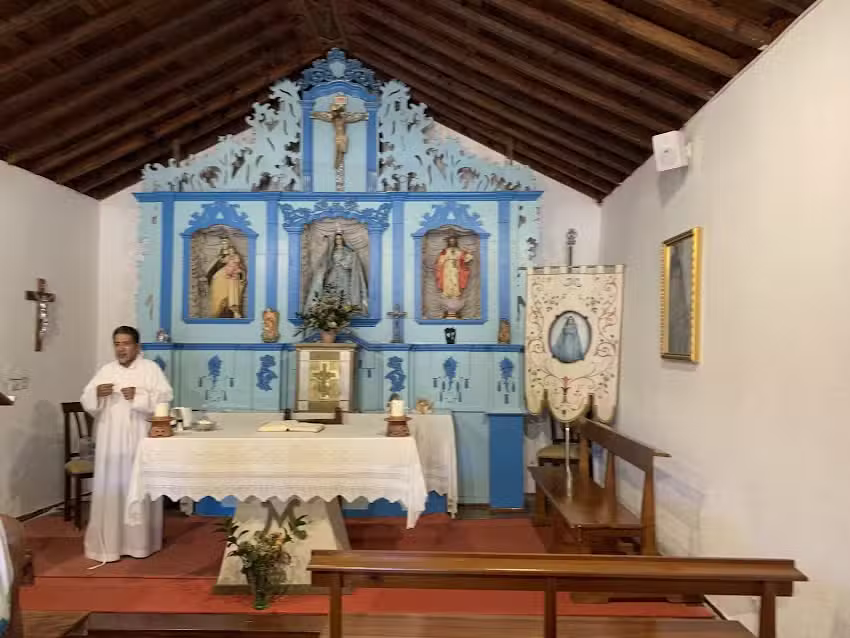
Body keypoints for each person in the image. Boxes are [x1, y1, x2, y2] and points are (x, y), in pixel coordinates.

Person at [80, 326, 173, 564]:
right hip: (110, 438)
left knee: (137, 486)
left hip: (138, 437)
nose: (121, 349)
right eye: (117, 344)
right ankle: (107, 545)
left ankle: (139, 544)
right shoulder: (106, 370)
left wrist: (139, 397)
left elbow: (165, 399)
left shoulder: (150, 369)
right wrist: (97, 394)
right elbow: (86, 399)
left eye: (126, 344)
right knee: (110, 489)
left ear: (137, 346)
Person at [305, 232, 368, 313]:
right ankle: (331, 309)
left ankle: (346, 309)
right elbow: (328, 263)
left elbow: (350, 263)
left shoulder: (348, 252)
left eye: (340, 239)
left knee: (345, 291)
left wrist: (342, 262)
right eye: (337, 239)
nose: (338, 241)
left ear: (343, 240)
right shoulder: (332, 251)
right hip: (333, 274)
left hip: (344, 274)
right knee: (331, 290)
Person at [207, 239, 246, 318]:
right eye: (222, 243)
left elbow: (240, 267)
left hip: (231, 280)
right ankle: (220, 312)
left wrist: (238, 272)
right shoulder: (222, 257)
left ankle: (232, 312)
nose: (224, 244)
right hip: (222, 279)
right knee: (219, 297)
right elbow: (213, 270)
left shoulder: (235, 257)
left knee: (231, 296)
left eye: (225, 243)